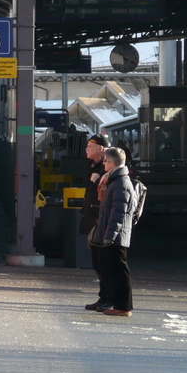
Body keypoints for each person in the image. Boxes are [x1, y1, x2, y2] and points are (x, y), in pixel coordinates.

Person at [93, 146, 138, 317]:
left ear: (112, 163)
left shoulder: (120, 183)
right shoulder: (114, 181)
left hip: (115, 235)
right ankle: (118, 304)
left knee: (119, 270)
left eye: (104, 161)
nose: (103, 163)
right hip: (111, 233)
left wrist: (110, 236)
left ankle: (124, 306)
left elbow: (118, 213)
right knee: (113, 269)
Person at [81, 133, 110, 311]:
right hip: (93, 217)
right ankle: (103, 297)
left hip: (100, 219)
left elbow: (109, 191)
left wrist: (99, 179)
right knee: (97, 261)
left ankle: (108, 298)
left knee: (103, 262)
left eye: (89, 147)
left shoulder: (104, 168)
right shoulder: (95, 165)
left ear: (100, 149)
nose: (86, 149)